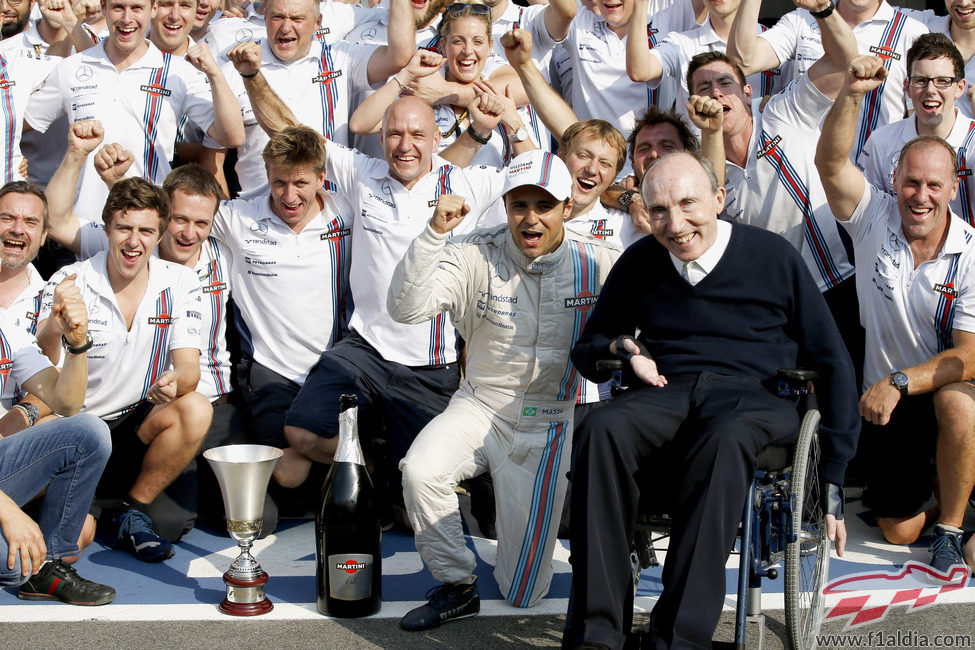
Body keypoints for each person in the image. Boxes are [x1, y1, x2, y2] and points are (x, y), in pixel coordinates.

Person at [564, 150, 859, 648]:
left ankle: (679, 638)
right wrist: (624, 349)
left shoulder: (773, 257)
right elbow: (589, 346)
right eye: (658, 210)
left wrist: (832, 475)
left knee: (725, 438)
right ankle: (597, 634)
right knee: (599, 427)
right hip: (669, 389)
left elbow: (831, 362)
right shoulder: (641, 261)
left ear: (719, 199)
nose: (675, 224)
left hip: (756, 395)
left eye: (687, 204)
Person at [390, 149, 621, 629]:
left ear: (566, 206)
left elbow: (647, 321)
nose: (530, 219)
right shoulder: (474, 250)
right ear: (507, 206)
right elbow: (405, 309)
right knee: (420, 470)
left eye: (544, 206)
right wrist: (434, 234)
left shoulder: (599, 261)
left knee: (523, 595)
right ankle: (456, 585)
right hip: (479, 404)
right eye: (519, 205)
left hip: (550, 421)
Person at [279, 94, 530, 516]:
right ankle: (369, 460)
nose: (405, 144)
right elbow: (292, 132)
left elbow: (536, 176)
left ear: (437, 138)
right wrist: (249, 74)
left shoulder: (470, 182)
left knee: (415, 498)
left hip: (430, 366)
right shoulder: (363, 172)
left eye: (417, 134)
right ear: (380, 137)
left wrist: (513, 125)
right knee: (301, 434)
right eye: (394, 133)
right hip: (365, 349)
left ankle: (396, 467)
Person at [816, 54, 975, 572]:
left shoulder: (971, 252)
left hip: (924, 388)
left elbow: (970, 358)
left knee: (957, 403)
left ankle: (952, 526)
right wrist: (852, 94)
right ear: (893, 179)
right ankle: (945, 484)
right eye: (911, 183)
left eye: (934, 186)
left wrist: (902, 380)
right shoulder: (873, 217)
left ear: (954, 189)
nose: (921, 196)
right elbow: (831, 164)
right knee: (899, 529)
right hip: (888, 403)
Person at [37, 174, 212, 562]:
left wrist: (175, 382)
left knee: (196, 406)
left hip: (134, 424)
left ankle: (130, 509)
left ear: (160, 232)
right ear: (108, 228)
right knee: (67, 551)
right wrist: (54, 322)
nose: (134, 241)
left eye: (146, 230)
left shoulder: (181, 281)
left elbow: (189, 369)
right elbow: (41, 367)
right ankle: (84, 507)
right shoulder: (70, 280)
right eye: (124, 229)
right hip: (79, 430)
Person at [23, 0, 245, 222]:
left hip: (146, 226)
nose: (127, 19)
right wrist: (16, 162)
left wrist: (215, 74)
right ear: (103, 8)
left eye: (137, 8)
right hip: (77, 227)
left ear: (154, 9)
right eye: (119, 7)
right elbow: (20, 123)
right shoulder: (72, 67)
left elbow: (232, 136)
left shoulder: (177, 72)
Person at [215, 0, 414, 198]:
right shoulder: (236, 68)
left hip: (329, 211)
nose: (286, 27)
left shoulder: (339, 57)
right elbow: (214, 157)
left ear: (318, 22)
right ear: (265, 17)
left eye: (297, 18)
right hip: (259, 214)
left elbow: (398, 56)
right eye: (278, 17)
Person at [0, 274, 115, 606]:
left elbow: (66, 401)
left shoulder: (4, 324)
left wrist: (77, 343)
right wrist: (8, 512)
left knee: (88, 432)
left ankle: (47, 568)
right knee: (13, 561)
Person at [726, 0, 929, 160]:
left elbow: (918, 123)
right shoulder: (803, 19)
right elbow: (742, 60)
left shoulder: (910, 32)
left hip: (867, 185)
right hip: (800, 178)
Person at [858, 33, 975, 227]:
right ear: (907, 87)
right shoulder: (881, 142)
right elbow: (863, 213)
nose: (930, 90)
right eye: (921, 80)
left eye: (943, 81)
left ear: (960, 87)